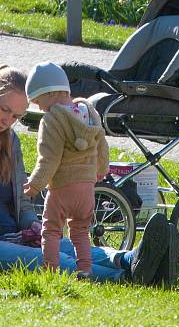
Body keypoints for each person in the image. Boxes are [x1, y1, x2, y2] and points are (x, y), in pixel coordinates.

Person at [0, 64, 171, 284]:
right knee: (48, 259)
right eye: (5, 110)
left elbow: (22, 199)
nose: (8, 121)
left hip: (13, 234)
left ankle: (130, 259)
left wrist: (31, 224)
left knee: (62, 246)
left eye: (16, 116)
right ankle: (125, 277)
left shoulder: (8, 139)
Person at [22, 62, 109, 277]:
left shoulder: (52, 120)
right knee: (80, 231)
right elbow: (102, 144)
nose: (40, 108)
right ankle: (85, 270)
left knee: (51, 230)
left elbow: (48, 158)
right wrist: (101, 169)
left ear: (49, 93)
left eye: (39, 101)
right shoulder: (89, 113)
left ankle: (51, 272)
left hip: (62, 187)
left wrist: (34, 184)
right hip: (87, 187)